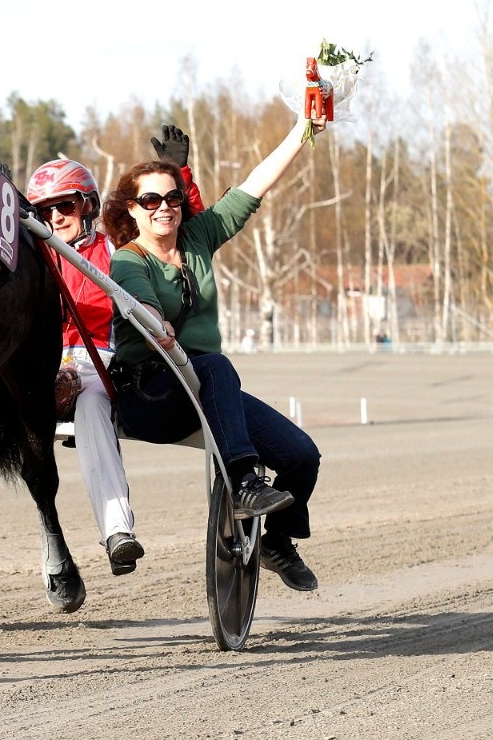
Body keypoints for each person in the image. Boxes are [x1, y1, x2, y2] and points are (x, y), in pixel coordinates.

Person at [103, 115, 327, 592]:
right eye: (150, 200)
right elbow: (138, 301)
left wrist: (303, 129)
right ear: (133, 210)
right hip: (152, 397)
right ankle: (246, 481)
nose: (164, 207)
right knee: (215, 365)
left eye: (172, 197)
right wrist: (152, 323)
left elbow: (253, 186)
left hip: (206, 390)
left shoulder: (199, 239)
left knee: (302, 455)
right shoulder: (126, 258)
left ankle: (277, 543)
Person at [24, 127, 203, 576]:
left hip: (105, 364)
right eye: (44, 211)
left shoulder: (118, 252)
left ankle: (117, 531)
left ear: (87, 205)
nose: (55, 219)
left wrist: (179, 175)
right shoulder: (30, 261)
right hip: (42, 366)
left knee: (88, 405)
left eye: (65, 206)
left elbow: (179, 230)